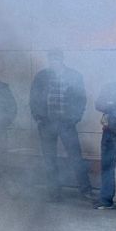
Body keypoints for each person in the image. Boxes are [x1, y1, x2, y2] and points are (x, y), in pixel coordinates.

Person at [29, 49, 92, 200]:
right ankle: (54, 192)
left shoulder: (74, 75)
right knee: (49, 159)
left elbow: (81, 98)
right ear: (49, 60)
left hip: (66, 123)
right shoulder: (42, 76)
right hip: (47, 123)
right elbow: (33, 98)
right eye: (51, 59)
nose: (54, 62)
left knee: (75, 157)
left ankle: (85, 191)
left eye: (56, 59)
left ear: (62, 59)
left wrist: (75, 118)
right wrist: (38, 117)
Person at [93, 78, 116, 210]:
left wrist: (112, 104)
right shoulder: (109, 86)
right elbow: (98, 104)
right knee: (107, 165)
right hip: (110, 131)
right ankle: (106, 200)